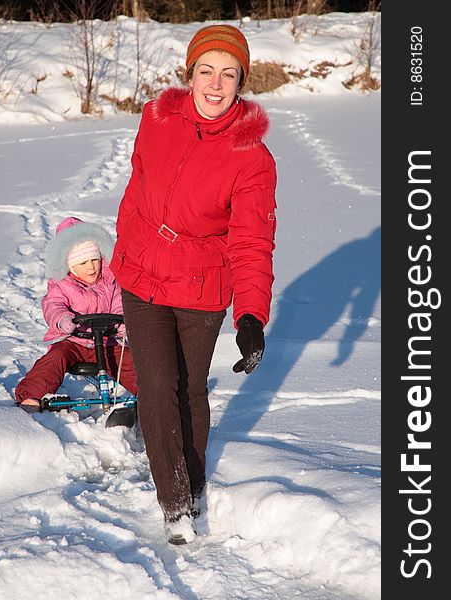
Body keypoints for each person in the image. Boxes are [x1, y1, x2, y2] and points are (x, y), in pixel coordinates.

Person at [109, 24, 277, 545]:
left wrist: (251, 315)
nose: (215, 82)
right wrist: (129, 237)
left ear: (241, 83)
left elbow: (252, 242)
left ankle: (196, 483)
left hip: (203, 286)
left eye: (229, 73)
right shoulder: (157, 119)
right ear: (190, 74)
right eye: (206, 70)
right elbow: (137, 183)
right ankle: (176, 504)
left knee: (190, 392)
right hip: (141, 274)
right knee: (158, 388)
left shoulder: (252, 157)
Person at [15, 216, 138, 413]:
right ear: (70, 267)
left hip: (108, 341)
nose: (91, 267)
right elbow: (53, 305)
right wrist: (62, 319)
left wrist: (122, 322)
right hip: (74, 341)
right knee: (55, 359)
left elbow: (119, 304)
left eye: (94, 260)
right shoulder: (61, 285)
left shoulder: (110, 281)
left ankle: (150, 396)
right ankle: (30, 395)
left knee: (132, 362)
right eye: (83, 263)